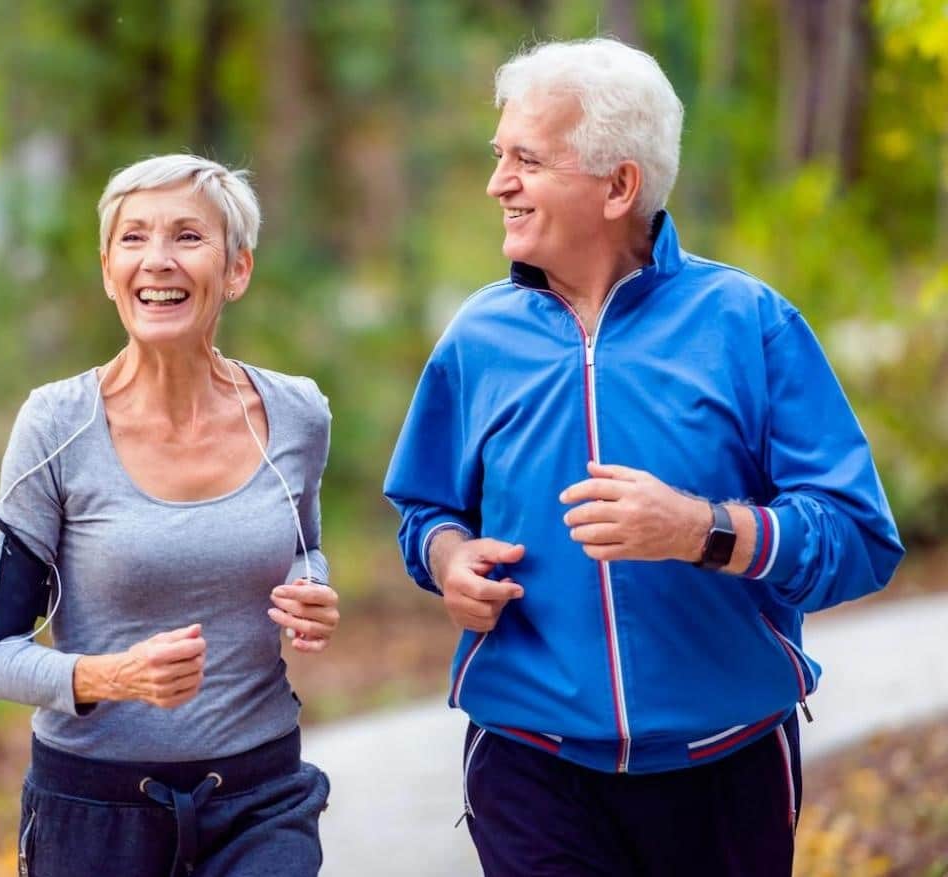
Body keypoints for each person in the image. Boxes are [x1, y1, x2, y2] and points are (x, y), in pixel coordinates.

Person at [384, 38, 903, 876]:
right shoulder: (476, 338)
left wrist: (702, 529)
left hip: (726, 767)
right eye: (498, 156)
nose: (497, 183)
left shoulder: (749, 323)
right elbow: (425, 510)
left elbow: (858, 538)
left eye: (526, 159)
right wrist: (448, 559)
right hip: (529, 759)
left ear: (618, 185)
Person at [0, 154, 338, 877]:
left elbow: (303, 544)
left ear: (236, 270)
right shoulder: (54, 425)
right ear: (108, 271)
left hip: (260, 799)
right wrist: (114, 676)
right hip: (94, 812)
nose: (157, 260)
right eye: (133, 239)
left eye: (188, 236)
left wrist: (310, 588)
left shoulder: (295, 413)